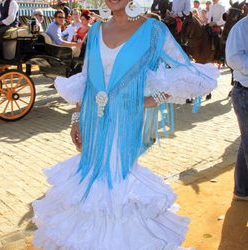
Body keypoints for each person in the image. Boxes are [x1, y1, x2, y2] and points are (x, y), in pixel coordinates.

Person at [31, 0, 218, 248]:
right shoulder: (96, 29)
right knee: (89, 184)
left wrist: (152, 100)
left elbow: (187, 72)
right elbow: (87, 78)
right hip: (92, 121)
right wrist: (76, 118)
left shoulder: (153, 30)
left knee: (116, 185)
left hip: (125, 122)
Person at [226, 16, 248, 202]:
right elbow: (233, 58)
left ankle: (241, 190)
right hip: (245, 93)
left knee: (245, 142)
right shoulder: (241, 28)